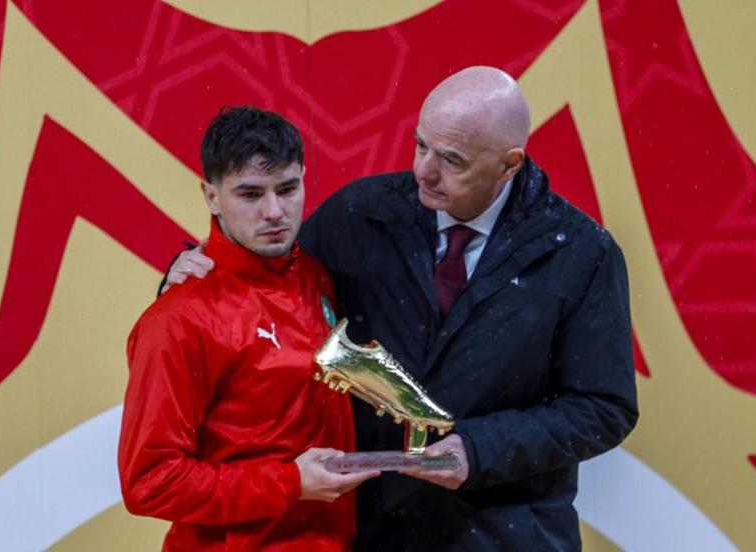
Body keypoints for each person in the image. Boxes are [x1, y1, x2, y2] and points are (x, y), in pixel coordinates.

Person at [164, 66, 639, 550]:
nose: (423, 171)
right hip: (380, 531)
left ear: (509, 164)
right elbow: (270, 277)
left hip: (507, 534)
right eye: (420, 145)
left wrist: (481, 449)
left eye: (451, 161)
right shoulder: (360, 213)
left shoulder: (581, 253)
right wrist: (190, 265)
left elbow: (604, 408)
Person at [118, 106, 378, 551]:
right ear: (211, 196)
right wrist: (289, 482)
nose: (274, 211)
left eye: (287, 188)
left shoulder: (314, 277)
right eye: (250, 194)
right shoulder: (178, 320)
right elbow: (150, 482)